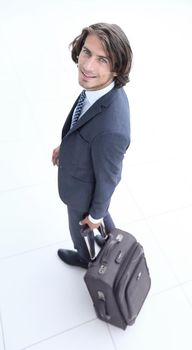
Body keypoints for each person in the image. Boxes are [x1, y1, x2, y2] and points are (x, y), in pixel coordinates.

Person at [52, 22, 133, 268]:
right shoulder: (99, 88)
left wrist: (94, 215)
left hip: (82, 192)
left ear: (117, 68)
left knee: (83, 225)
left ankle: (85, 257)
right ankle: (107, 235)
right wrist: (64, 147)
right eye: (87, 52)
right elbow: (82, 126)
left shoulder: (111, 130)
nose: (87, 66)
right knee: (100, 212)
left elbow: (109, 179)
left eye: (102, 60)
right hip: (90, 186)